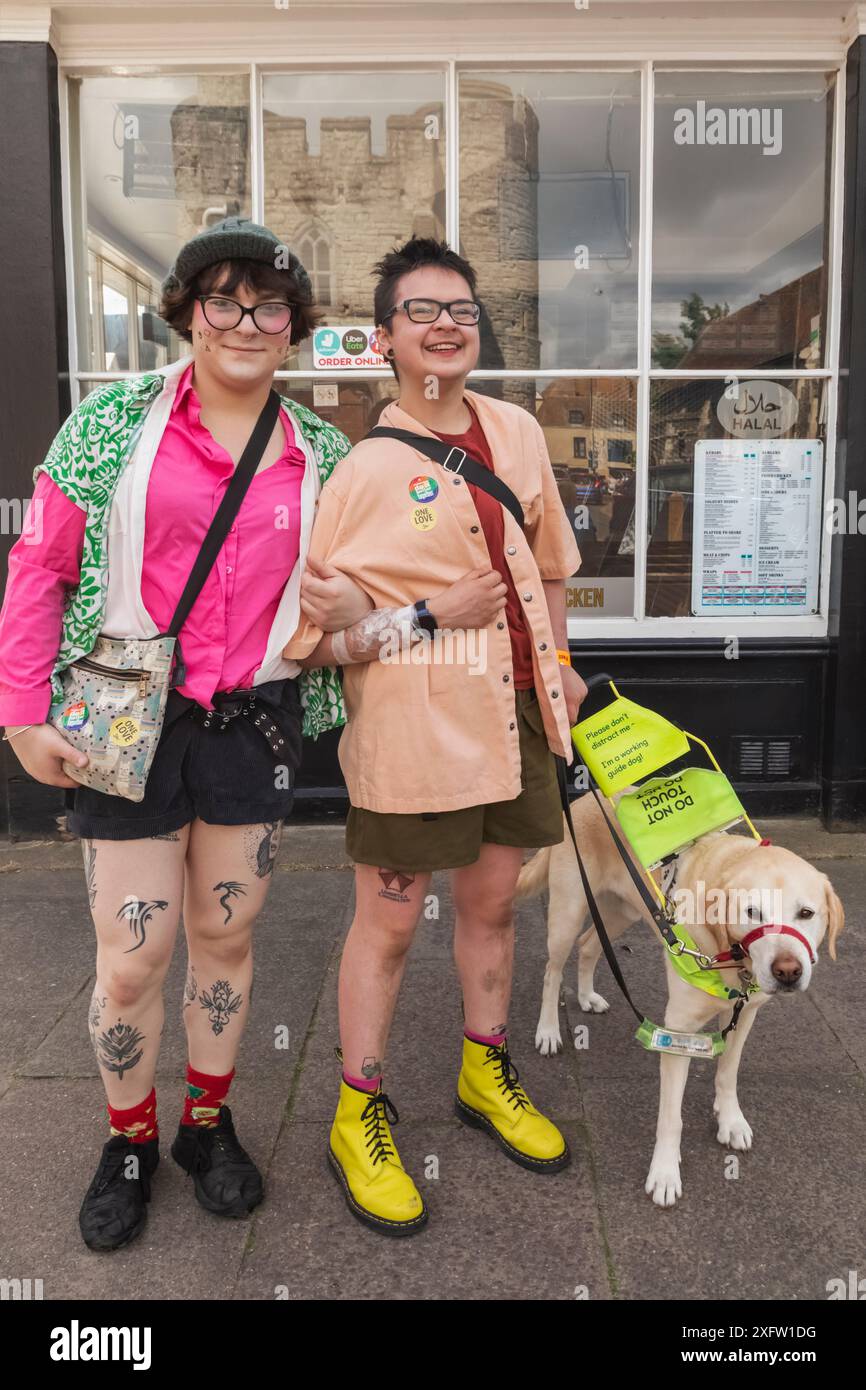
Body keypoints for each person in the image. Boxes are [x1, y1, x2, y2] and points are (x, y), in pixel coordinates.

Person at [0, 217, 369, 1251]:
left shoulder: (324, 454)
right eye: (225, 298)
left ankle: (207, 1125)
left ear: (293, 326)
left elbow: (355, 605)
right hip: (125, 718)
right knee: (132, 954)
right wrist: (21, 710)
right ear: (188, 311)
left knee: (225, 935)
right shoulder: (107, 426)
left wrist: (350, 608)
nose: (246, 320)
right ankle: (128, 1138)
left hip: (254, 720)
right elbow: (41, 568)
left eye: (270, 304)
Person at [286, 237, 587, 1235]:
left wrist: (562, 661)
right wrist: (424, 616)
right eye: (421, 310)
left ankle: (481, 1070)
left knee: (494, 905)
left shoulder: (516, 430)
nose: (446, 323)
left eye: (459, 307)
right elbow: (320, 645)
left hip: (513, 718)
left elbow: (548, 563)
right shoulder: (362, 472)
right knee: (386, 921)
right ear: (385, 339)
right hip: (410, 736)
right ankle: (356, 1109)